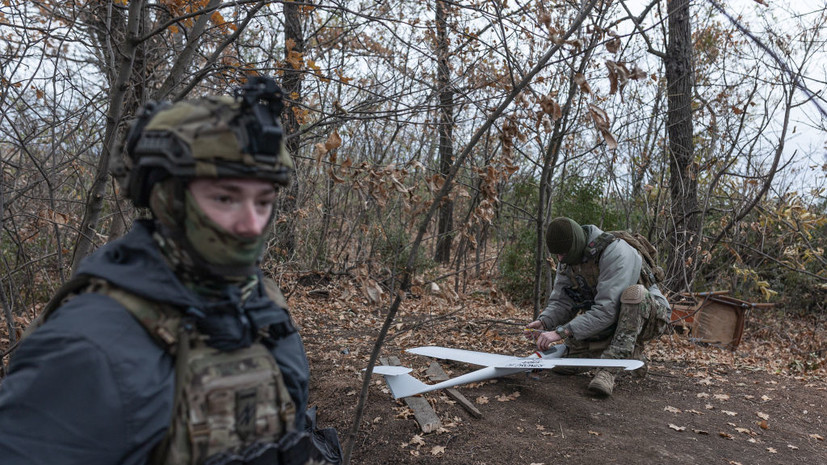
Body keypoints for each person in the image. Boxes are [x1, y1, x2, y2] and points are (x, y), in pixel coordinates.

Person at [0, 77, 334, 464]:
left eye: (263, 201)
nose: (251, 224)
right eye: (225, 198)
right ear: (167, 199)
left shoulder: (261, 301)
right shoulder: (85, 346)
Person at [526, 217, 671, 397]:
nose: (559, 258)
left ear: (575, 245)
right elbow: (562, 301)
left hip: (649, 315)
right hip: (609, 318)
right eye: (557, 254)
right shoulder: (568, 259)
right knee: (563, 364)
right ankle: (630, 353)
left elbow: (607, 310)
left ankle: (609, 369)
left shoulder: (616, 252)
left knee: (634, 295)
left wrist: (561, 332)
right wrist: (545, 321)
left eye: (562, 253)